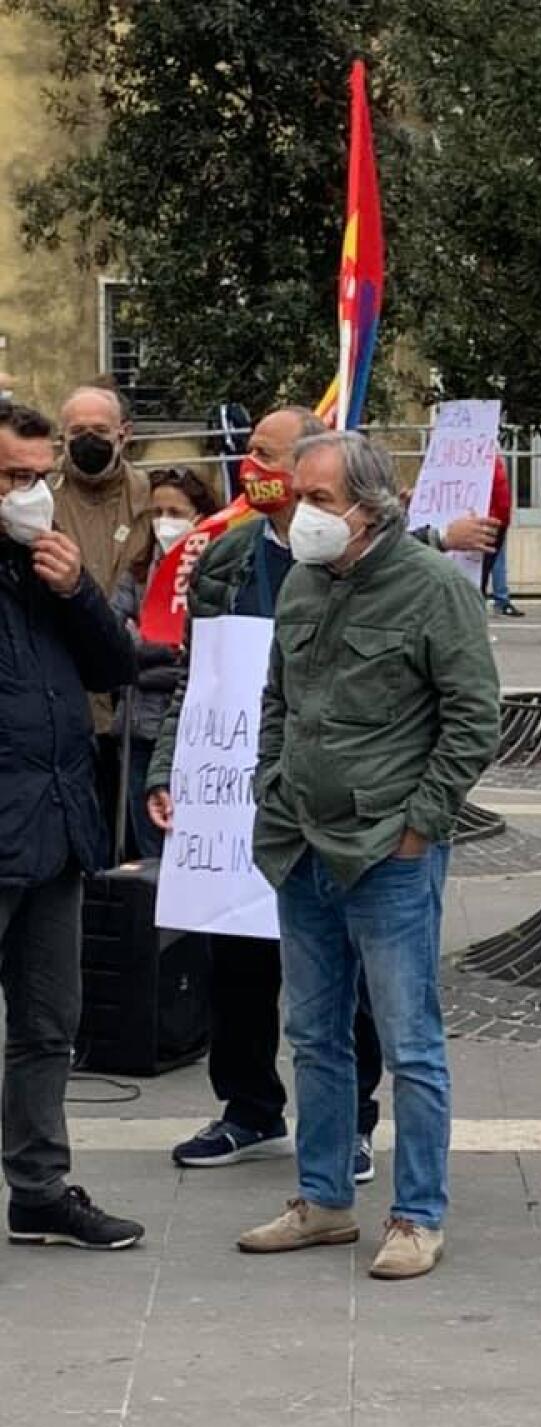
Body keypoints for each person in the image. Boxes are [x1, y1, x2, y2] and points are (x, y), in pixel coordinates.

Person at [236, 432, 500, 1280]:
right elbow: (278, 695)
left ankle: (418, 1214)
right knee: (313, 1031)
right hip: (300, 843)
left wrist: (420, 824)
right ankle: (322, 1201)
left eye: (319, 498)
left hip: (389, 852)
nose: (302, 514)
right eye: (299, 496)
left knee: (409, 1039)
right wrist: (270, 782)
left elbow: (473, 719)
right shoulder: (304, 585)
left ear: (371, 505)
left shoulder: (430, 589)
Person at [147, 409, 387, 1179]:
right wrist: (170, 770)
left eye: (263, 453)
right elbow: (201, 675)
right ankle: (249, 1107)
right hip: (241, 794)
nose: (248, 465)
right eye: (248, 451)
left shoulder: (365, 556)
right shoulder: (226, 556)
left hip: (336, 794)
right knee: (237, 955)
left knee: (344, 968)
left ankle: (352, 1119)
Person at [0, 398, 143, 1249]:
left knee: (49, 1022)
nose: (30, 493)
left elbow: (116, 668)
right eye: (11, 477)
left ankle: (40, 1189)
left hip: (55, 828)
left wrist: (78, 590)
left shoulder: (43, 564)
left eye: (38, 476)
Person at [54, 383, 155, 853]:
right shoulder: (38, 499)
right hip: (64, 686)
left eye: (99, 430)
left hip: (132, 694)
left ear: (124, 434)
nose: (88, 441)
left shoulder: (153, 497)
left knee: (132, 835)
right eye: (77, 431)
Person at [111, 467, 219, 860]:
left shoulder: (216, 574)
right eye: (158, 512)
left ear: (200, 516)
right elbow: (114, 641)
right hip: (137, 729)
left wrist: (145, 651)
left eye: (176, 512)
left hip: (191, 734)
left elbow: (201, 652)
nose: (164, 522)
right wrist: (158, 649)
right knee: (147, 845)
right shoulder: (138, 573)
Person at [482, 456, 523, 617]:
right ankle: (501, 599)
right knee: (496, 561)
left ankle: (497, 599)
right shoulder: (494, 463)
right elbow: (503, 499)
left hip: (477, 519)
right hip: (493, 521)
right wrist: (504, 522)